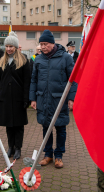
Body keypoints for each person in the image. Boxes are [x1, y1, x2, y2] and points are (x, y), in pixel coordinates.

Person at [29, 30, 77, 168]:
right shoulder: (38, 59)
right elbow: (34, 80)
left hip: (59, 101)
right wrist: (33, 98)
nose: (43, 47)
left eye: (45, 44)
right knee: (46, 128)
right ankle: (48, 154)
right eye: (41, 44)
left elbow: (73, 79)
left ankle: (59, 156)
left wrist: (71, 98)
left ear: (52, 43)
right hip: (43, 100)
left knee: (60, 128)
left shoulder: (66, 58)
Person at [0, 32, 31, 160]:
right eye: (7, 46)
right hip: (6, 99)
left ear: (15, 47)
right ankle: (10, 147)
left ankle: (18, 148)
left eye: (11, 46)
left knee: (18, 126)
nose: (8, 49)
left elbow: (27, 82)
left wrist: (26, 99)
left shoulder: (24, 60)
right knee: (9, 125)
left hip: (19, 99)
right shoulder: (1, 61)